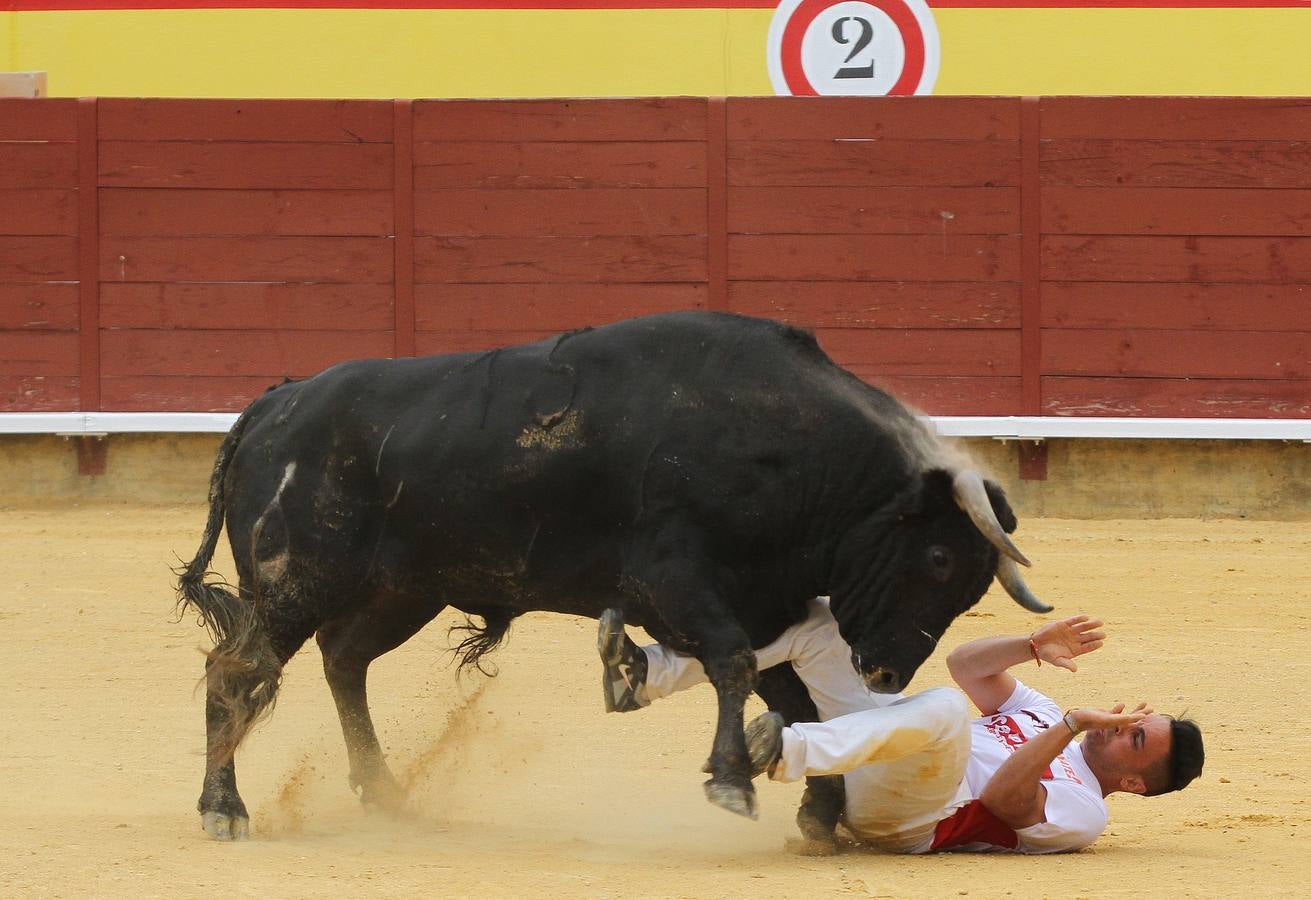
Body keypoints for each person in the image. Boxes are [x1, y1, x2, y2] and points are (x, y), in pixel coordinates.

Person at [597, 598, 1204, 853]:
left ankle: (781, 754)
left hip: (912, 819)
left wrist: (1070, 724)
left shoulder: (1087, 815)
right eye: (1134, 719)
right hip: (884, 753)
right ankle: (646, 676)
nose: (1121, 725)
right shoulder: (1046, 715)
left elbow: (1001, 799)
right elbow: (965, 666)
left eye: (1136, 737)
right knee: (824, 622)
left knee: (942, 712)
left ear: (1134, 785)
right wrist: (1029, 644)